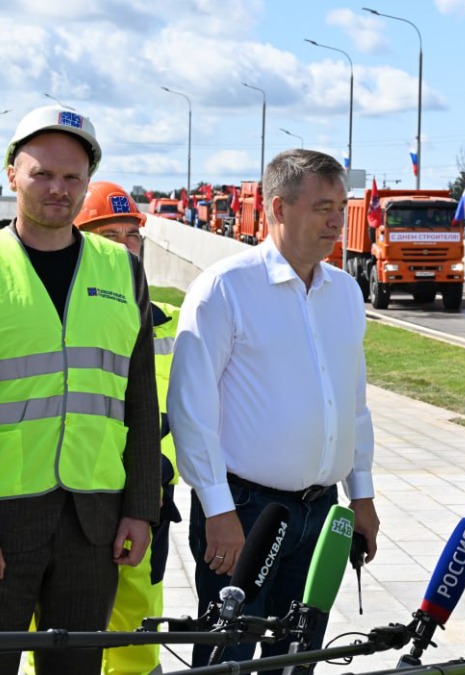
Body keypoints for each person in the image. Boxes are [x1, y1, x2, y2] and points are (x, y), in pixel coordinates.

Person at [169, 149, 380, 671]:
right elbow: (190, 407)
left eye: (342, 209)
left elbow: (353, 404)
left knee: (298, 658)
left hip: (322, 511)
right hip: (244, 513)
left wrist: (363, 495)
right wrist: (217, 509)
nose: (337, 222)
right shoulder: (225, 289)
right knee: (229, 656)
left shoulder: (346, 293)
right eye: (323, 207)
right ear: (278, 209)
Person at [0, 106, 160, 674]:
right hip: (5, 521)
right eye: (42, 173)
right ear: (11, 174)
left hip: (94, 524)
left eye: (72, 177)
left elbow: (141, 401)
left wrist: (142, 508)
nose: (57, 189)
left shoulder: (122, 270)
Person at [76, 182, 182, 675]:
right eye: (108, 235)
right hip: (74, 507)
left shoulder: (176, 326)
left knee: (136, 638)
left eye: (131, 235)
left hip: (145, 509)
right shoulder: (66, 324)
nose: (124, 247)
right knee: (59, 638)